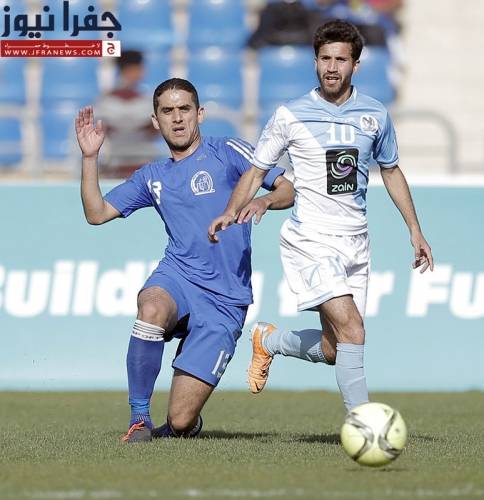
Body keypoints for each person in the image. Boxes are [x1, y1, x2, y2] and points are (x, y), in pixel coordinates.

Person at [209, 20, 433, 413]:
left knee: (335, 348)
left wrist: (415, 229)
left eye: (340, 60)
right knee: (354, 329)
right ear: (315, 61)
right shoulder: (290, 114)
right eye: (325, 58)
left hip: (356, 242)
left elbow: (391, 170)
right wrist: (231, 210)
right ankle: (364, 424)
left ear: (355, 65)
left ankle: (268, 340)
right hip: (310, 239)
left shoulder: (375, 114)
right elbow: (257, 171)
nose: (331, 67)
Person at [75, 78, 294, 442]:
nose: (177, 118)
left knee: (179, 422)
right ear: (155, 120)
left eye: (184, 109)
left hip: (226, 298)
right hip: (180, 277)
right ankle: (139, 420)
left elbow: (287, 188)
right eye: (167, 111)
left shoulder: (228, 151)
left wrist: (264, 201)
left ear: (199, 114)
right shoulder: (152, 177)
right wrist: (89, 157)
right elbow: (96, 213)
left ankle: (180, 420)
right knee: (151, 306)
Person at [95, 50, 160, 178]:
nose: (141, 72)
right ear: (126, 70)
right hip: (116, 167)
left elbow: (155, 131)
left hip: (144, 166)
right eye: (137, 69)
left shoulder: (148, 101)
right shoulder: (106, 102)